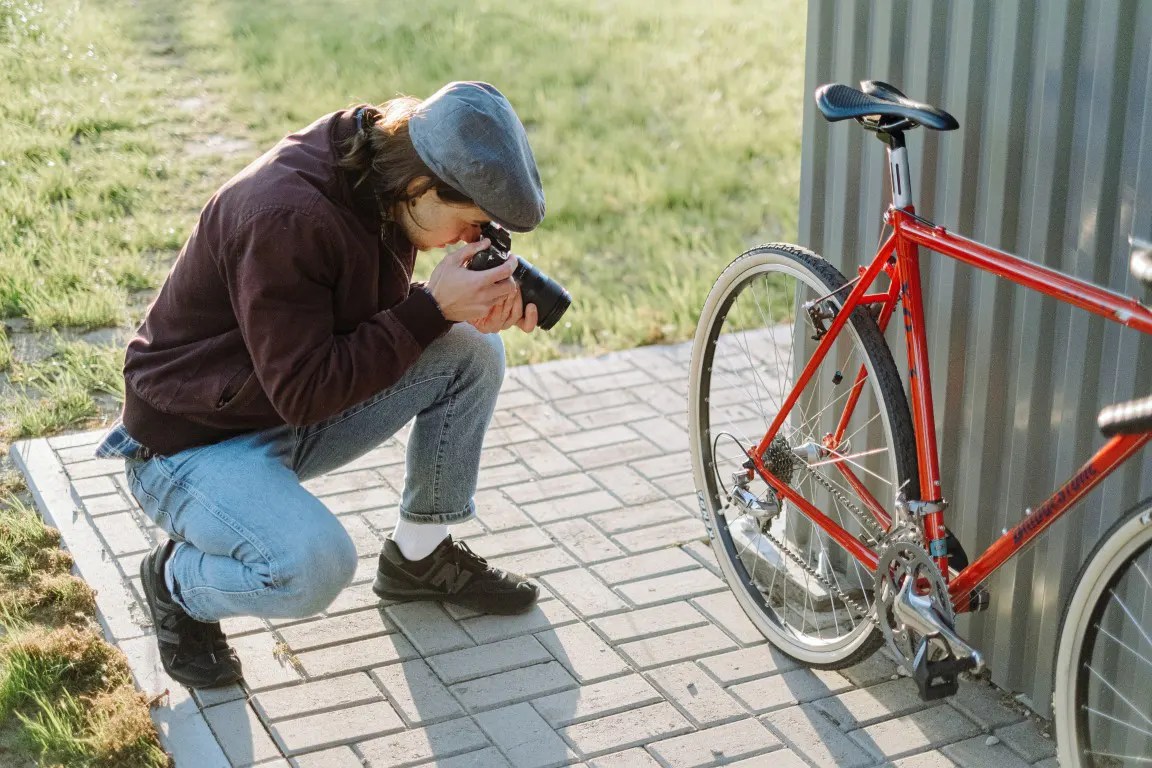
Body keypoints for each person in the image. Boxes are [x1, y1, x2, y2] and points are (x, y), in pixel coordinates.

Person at [95, 81, 547, 689]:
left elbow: (338, 343)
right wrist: (432, 309)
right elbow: (306, 392)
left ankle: (419, 556)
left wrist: (456, 310)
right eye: (470, 224)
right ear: (422, 186)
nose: (472, 240)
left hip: (272, 405)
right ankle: (177, 580)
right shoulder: (286, 216)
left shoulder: (379, 176)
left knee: (471, 351)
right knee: (314, 568)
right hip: (190, 445)